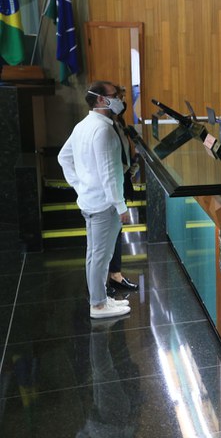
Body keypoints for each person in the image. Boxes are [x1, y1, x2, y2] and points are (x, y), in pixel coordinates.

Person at [58, 81, 132, 319]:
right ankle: (98, 305)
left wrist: (80, 185)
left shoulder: (83, 125)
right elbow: (109, 174)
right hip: (104, 205)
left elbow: (63, 158)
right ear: (101, 99)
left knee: (95, 255)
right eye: (115, 95)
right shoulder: (103, 131)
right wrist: (120, 206)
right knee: (101, 256)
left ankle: (99, 298)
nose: (119, 99)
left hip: (91, 201)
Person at [107, 87, 140, 295]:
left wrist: (132, 168)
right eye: (119, 99)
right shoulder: (106, 127)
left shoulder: (119, 123)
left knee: (116, 232)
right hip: (113, 185)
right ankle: (106, 281)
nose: (123, 103)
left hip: (122, 180)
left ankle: (115, 275)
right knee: (109, 236)